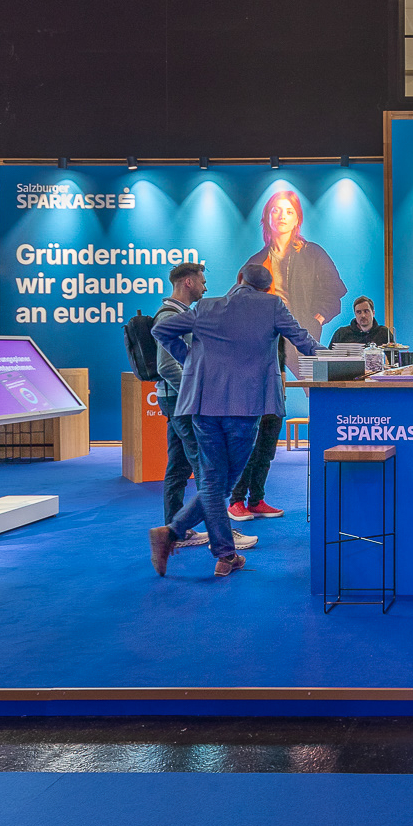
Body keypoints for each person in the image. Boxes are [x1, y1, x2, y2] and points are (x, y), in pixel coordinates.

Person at [149, 262, 319, 578]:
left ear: (239, 279)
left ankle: (219, 552)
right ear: (266, 289)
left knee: (213, 482)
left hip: (203, 406)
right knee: (223, 483)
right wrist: (345, 359)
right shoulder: (272, 305)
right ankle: (181, 536)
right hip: (245, 407)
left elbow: (160, 331)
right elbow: (304, 342)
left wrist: (192, 361)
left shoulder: (207, 307)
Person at [155, 261, 239, 551]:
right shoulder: (170, 316)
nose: (205, 286)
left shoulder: (179, 314)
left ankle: (174, 531)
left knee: (178, 467)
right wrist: (198, 394)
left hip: (175, 401)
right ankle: (221, 538)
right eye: (202, 281)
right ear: (188, 282)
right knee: (208, 471)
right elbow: (166, 366)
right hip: (182, 402)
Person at [244, 186, 347, 342]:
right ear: (267, 216)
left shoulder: (312, 253)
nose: (282, 216)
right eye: (276, 210)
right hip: (267, 338)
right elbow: (240, 300)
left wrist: (315, 320)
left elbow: (334, 291)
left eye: (289, 212)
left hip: (301, 336)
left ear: (297, 219)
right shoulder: (256, 262)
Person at [329, 296, 394, 348]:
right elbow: (329, 357)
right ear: (355, 314)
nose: (363, 315)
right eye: (359, 312)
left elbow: (395, 358)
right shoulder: (341, 333)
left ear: (373, 313)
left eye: (366, 311)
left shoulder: (383, 333)